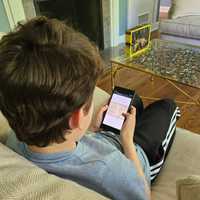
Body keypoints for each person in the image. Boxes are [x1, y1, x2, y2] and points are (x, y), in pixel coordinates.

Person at [0, 17, 180, 200]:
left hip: (99, 136)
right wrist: (127, 141)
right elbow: (143, 196)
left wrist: (90, 130)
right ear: (76, 118)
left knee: (133, 100)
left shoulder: (15, 139)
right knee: (167, 105)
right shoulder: (111, 170)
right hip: (135, 151)